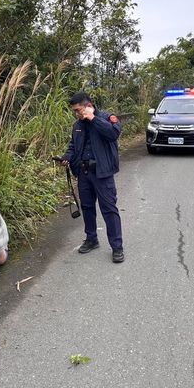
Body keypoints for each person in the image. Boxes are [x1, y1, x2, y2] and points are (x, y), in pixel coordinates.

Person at [61, 92, 125, 263]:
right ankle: (91, 239)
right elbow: (73, 145)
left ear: (88, 105)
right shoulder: (77, 126)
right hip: (84, 173)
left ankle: (117, 247)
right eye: (74, 111)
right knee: (87, 207)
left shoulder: (106, 117)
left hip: (102, 173)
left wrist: (92, 118)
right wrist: (67, 157)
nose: (77, 114)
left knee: (109, 209)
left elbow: (113, 134)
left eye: (78, 110)